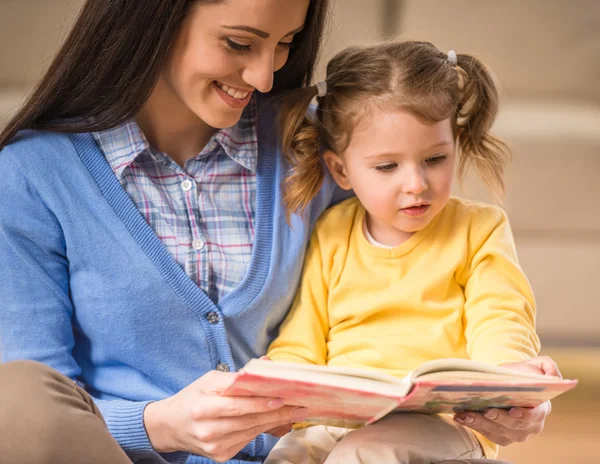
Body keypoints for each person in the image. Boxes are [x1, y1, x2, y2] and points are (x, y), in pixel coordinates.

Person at [0, 0, 557, 462]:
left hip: (327, 451)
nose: (265, 77)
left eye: (285, 43)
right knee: (12, 399)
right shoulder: (34, 175)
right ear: (153, 18)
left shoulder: (317, 145)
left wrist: (504, 386)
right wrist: (160, 425)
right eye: (240, 43)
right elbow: (41, 403)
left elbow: (455, 284)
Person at [264, 41, 561, 463]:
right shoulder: (331, 232)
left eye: (435, 158)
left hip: (442, 425)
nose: (417, 183)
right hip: (340, 420)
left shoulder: (479, 228)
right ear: (341, 170)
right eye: (388, 167)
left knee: (365, 453)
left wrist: (508, 370)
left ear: (455, 144)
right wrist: (280, 383)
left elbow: (501, 316)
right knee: (289, 456)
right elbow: (303, 334)